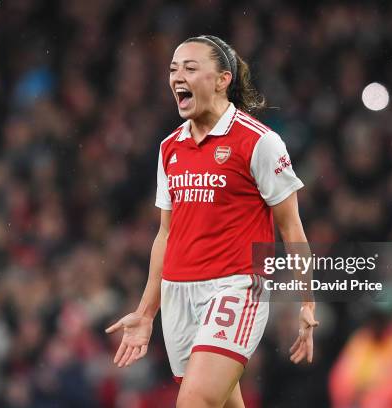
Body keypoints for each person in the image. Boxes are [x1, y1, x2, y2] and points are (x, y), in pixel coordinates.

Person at [106, 35, 318, 408]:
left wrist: (307, 302)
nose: (177, 77)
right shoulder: (169, 148)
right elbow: (166, 233)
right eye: (173, 70)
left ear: (222, 80)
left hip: (236, 287)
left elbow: (291, 228)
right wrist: (146, 311)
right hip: (178, 294)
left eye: (190, 68)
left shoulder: (259, 142)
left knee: (194, 401)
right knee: (219, 402)